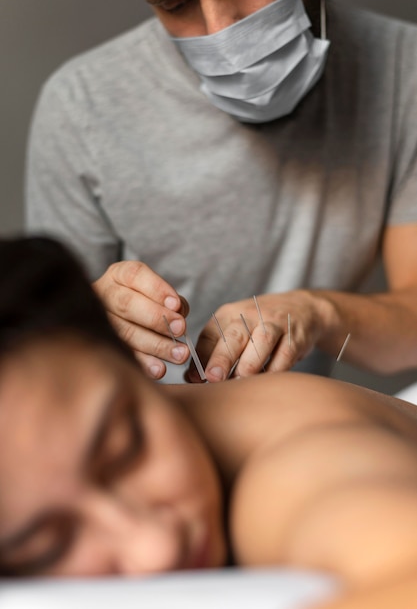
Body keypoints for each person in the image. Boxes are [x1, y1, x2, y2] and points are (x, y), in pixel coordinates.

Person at [24, 0, 417, 384]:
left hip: (296, 418)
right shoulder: (79, 108)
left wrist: (318, 314)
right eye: (177, 5)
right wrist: (86, 321)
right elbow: (42, 361)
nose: (220, 32)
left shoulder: (406, 71)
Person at [1, 235, 417, 609]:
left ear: (131, 362)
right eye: (48, 546)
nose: (156, 549)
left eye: (128, 447)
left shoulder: (293, 469)